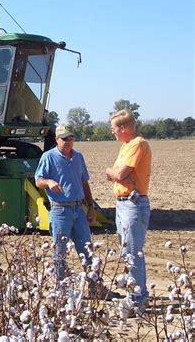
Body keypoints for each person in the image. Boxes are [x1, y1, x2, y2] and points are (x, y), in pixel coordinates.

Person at [35, 124, 97, 282]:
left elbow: (84, 183)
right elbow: (38, 181)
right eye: (65, 139)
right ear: (57, 140)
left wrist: (90, 207)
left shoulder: (78, 157)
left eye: (71, 138)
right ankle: (60, 288)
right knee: (60, 251)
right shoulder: (48, 157)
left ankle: (95, 285)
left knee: (87, 248)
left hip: (78, 209)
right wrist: (48, 182)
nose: (69, 142)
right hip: (60, 211)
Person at [105, 109, 152, 308]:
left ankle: (137, 299)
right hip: (123, 204)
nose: (112, 132)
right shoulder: (126, 146)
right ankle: (137, 294)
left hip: (133, 204)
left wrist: (112, 172)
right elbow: (118, 175)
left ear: (123, 128)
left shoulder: (138, 144)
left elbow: (121, 173)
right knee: (127, 253)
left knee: (133, 253)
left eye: (114, 128)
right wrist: (114, 173)